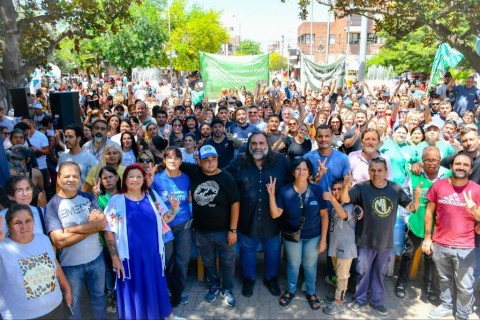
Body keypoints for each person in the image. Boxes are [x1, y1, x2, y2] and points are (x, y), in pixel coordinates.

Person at [341, 157, 417, 316]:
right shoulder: (361, 187)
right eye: (372, 170)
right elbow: (345, 199)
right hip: (365, 239)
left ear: (386, 171)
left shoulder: (395, 188)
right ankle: (360, 299)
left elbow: (411, 208)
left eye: (379, 170)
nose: (376, 174)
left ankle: (376, 301)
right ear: (368, 171)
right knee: (362, 271)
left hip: (385, 241)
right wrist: (347, 185)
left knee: (379, 273)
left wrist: (416, 197)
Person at [103, 164, 180, 319]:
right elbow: (108, 231)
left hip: (152, 254)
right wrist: (114, 258)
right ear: (124, 179)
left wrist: (174, 209)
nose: (135, 180)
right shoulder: (117, 201)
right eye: (131, 176)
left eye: (139, 176)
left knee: (154, 285)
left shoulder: (151, 196)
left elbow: (165, 218)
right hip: (129, 257)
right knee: (134, 291)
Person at [225, 132, 290, 298]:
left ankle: (271, 279)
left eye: (261, 143)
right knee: (247, 251)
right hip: (247, 219)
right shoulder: (239, 161)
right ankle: (249, 279)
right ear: (249, 145)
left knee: (273, 251)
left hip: (272, 219)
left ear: (267, 144)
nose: (257, 147)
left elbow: (296, 178)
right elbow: (222, 176)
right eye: (253, 143)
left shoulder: (281, 162)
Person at [45, 161, 107, 319]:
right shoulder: (52, 206)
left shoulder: (88, 197)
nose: (71, 179)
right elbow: (58, 241)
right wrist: (90, 227)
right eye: (67, 176)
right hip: (71, 265)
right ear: (58, 179)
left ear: (80, 179)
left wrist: (71, 229)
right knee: (74, 302)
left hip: (96, 259)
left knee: (99, 297)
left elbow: (101, 223)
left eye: (75, 176)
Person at [180, 145, 240, 307]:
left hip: (223, 231)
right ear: (198, 161)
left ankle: (227, 289)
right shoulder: (194, 172)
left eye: (213, 159)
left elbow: (235, 204)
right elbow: (175, 161)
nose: (210, 163)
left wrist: (233, 230)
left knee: (227, 261)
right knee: (208, 261)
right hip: (201, 231)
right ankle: (214, 285)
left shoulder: (227, 178)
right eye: (206, 160)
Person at [422, 153, 480, 320]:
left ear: (470, 169)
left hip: (465, 247)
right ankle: (447, 306)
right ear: (451, 165)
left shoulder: (477, 190)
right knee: (444, 278)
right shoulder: (439, 185)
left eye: (465, 165)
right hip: (440, 243)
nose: (461, 167)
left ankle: (462, 315)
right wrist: (427, 238)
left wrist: (474, 211)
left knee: (465, 286)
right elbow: (429, 212)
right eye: (458, 164)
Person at [266, 158, 328, 310]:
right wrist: (271, 195)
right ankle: (290, 290)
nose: (301, 172)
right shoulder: (285, 191)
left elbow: (324, 215)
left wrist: (323, 240)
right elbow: (275, 214)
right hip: (292, 235)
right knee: (293, 264)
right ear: (293, 172)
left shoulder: (316, 190)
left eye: (305, 169)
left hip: (313, 235)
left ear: (309, 172)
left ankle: (311, 293)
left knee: (310, 264)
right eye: (298, 169)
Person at [395, 146, 450, 302]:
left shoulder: (448, 175)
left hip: (439, 225)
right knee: (408, 254)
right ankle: (401, 283)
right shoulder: (414, 174)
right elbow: (404, 197)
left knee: (432, 258)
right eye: (426, 160)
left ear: (439, 159)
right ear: (422, 160)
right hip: (416, 223)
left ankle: (429, 287)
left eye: (434, 160)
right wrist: (407, 220)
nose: (430, 163)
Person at [0, 204, 72, 319]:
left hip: (56, 309)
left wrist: (67, 288)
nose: (24, 227)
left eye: (28, 221)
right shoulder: (2, 248)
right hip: (22, 316)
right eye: (18, 223)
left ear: (34, 222)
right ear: (8, 226)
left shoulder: (43, 239)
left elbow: (55, 265)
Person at [151, 147, 192, 307]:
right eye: (169, 158)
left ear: (181, 161)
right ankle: (166, 290)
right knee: (166, 260)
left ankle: (179, 291)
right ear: (164, 160)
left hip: (184, 224)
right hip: (164, 226)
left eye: (176, 158)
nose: (173, 161)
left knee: (182, 259)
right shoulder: (156, 179)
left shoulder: (187, 178)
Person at [322, 179, 358, 315]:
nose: (336, 192)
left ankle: (339, 302)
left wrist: (331, 199)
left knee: (342, 275)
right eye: (334, 189)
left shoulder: (350, 205)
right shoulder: (336, 204)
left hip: (346, 247)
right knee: (338, 274)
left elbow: (343, 215)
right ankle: (338, 293)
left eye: (339, 189)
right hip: (335, 246)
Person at [92, 165, 122, 314]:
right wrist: (96, 197)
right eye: (105, 178)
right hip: (107, 242)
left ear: (117, 177)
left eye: (111, 177)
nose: (108, 180)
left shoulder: (125, 194)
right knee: (110, 269)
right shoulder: (101, 198)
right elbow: (97, 217)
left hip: (125, 242)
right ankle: (113, 295)